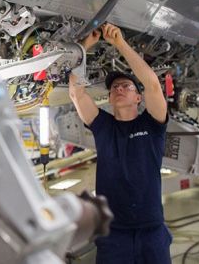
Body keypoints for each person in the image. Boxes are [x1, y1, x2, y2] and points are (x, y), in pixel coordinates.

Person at [69, 23, 172, 264]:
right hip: (113, 233)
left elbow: (153, 85)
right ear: (110, 98)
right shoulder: (103, 126)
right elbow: (77, 94)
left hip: (152, 230)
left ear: (139, 98)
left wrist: (120, 43)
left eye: (127, 86)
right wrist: (83, 47)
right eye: (115, 87)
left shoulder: (153, 124)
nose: (119, 88)